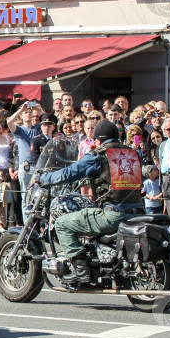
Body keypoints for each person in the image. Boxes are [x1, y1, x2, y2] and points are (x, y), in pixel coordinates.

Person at [39, 121, 144, 285]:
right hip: (138, 213)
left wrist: (44, 178)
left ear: (99, 141)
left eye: (95, 140)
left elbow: (70, 172)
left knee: (61, 224)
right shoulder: (133, 153)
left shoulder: (99, 155)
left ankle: (81, 271)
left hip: (113, 215)